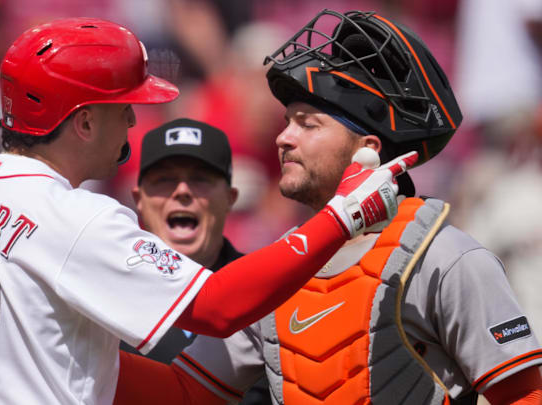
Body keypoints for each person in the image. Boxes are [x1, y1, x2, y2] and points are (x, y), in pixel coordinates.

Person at [0, 17, 416, 405]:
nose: (134, 122)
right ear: (84, 121)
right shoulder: (73, 216)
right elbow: (218, 306)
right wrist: (342, 216)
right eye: (123, 107)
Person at [113, 10, 542, 405]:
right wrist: (62, 344)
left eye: (307, 123)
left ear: (367, 151)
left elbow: (525, 393)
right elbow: (186, 390)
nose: (283, 138)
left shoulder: (446, 258)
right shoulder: (278, 266)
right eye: (286, 121)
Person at [123, 118, 271, 404]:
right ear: (138, 200)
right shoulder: (102, 297)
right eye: (164, 180)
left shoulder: (268, 292)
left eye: (200, 179)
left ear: (230, 198)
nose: (182, 191)